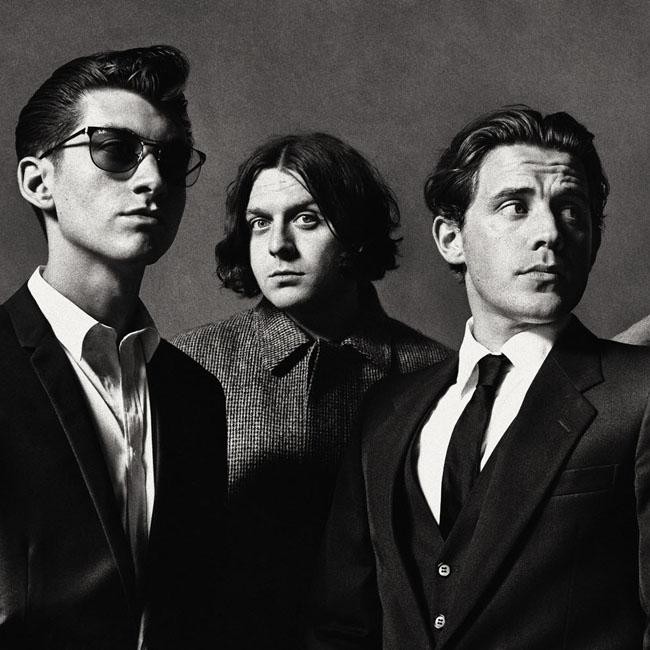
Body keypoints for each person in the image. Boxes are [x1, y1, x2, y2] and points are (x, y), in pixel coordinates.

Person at [308, 107, 650, 649]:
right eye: (515, 207)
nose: (550, 233)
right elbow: (343, 627)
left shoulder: (640, 394)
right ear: (452, 238)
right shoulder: (387, 412)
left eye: (572, 210)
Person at [172, 132, 449, 649]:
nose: (277, 244)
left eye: (306, 219)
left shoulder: (437, 374)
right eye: (259, 223)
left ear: (355, 234)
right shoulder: (189, 365)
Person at [2, 45, 227, 648]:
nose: (153, 180)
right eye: (115, 150)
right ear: (39, 182)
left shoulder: (196, 396)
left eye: (170, 158)